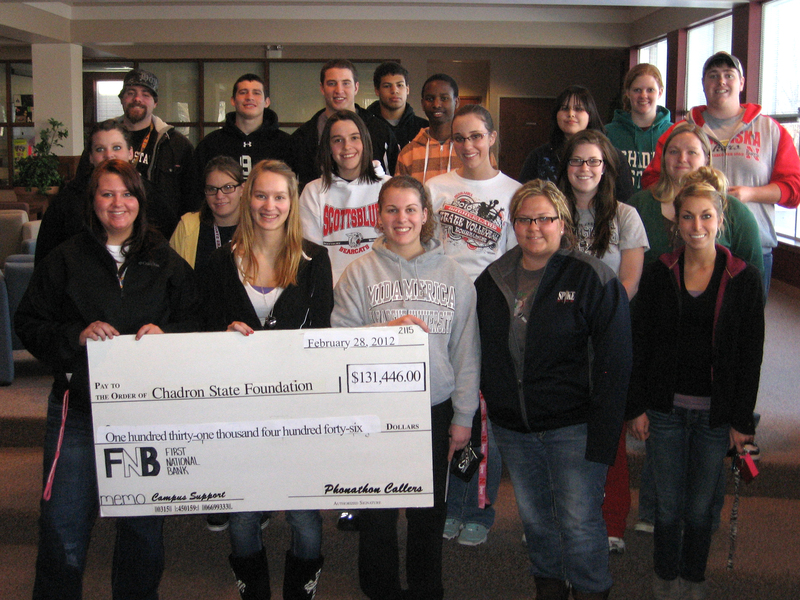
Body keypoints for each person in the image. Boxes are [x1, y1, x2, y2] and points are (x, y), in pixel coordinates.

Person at [15, 158, 200, 600]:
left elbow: (196, 323)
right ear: (92, 201)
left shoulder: (165, 260)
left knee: (142, 531)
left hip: (144, 417)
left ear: (140, 199)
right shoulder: (66, 257)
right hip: (77, 412)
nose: (118, 203)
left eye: (127, 193)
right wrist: (73, 335)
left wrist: (166, 334)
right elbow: (29, 322)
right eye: (107, 193)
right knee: (63, 526)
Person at [475, 179, 631, 600]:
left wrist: (604, 437)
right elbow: (482, 353)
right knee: (537, 522)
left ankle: (591, 589)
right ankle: (549, 587)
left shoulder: (593, 278)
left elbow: (616, 365)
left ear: (562, 223)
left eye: (545, 218)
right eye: (525, 219)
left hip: (574, 427)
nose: (534, 227)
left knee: (580, 523)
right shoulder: (492, 280)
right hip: (515, 429)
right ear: (513, 223)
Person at [332, 175, 479, 600]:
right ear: (379, 216)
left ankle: (425, 588)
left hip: (434, 407)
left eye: (411, 209)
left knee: (428, 512)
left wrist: (463, 417)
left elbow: (467, 350)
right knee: (377, 510)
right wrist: (387, 330)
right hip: (377, 411)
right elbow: (339, 339)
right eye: (392, 210)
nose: (402, 218)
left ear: (426, 215)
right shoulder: (358, 272)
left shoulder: (454, 275)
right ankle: (380, 589)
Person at [199, 159, 332, 600]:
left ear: (292, 202)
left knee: (303, 514)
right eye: (260, 195)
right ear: (245, 197)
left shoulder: (317, 260)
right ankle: (252, 590)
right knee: (241, 511)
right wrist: (223, 335)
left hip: (299, 407)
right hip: (237, 405)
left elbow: (322, 334)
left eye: (279, 196)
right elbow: (203, 326)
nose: (268, 205)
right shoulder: (219, 261)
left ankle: (300, 591)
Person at [626, 179, 764, 600]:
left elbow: (749, 356)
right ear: (676, 222)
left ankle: (693, 578)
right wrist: (638, 407)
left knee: (701, 508)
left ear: (720, 221)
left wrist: (741, 421)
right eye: (688, 216)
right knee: (667, 507)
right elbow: (641, 344)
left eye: (706, 216)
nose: (696, 224)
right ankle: (665, 576)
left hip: (714, 414)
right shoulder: (658, 272)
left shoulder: (744, 279)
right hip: (665, 410)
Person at [426, 104, 518, 545]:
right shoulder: (434, 188)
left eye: (476, 136)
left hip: (492, 314)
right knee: (451, 412)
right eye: (459, 138)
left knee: (483, 418)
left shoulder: (514, 193)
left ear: (492, 137)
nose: (467, 146)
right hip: (443, 312)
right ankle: (450, 503)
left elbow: (521, 262)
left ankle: (479, 510)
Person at [642, 51, 800, 298]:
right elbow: (652, 180)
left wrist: (749, 194)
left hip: (754, 244)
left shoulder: (771, 130)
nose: (721, 82)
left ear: (742, 82)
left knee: (745, 321)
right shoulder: (681, 131)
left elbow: (794, 189)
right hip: (691, 244)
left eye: (729, 75)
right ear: (704, 84)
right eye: (713, 76)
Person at [556, 128, 647, 554]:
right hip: (562, 337)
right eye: (577, 161)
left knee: (607, 431)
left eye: (593, 161)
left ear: (606, 166)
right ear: (566, 167)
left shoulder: (626, 215)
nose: (585, 169)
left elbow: (628, 281)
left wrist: (592, 316)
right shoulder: (552, 211)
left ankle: (611, 522)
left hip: (608, 333)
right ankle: (560, 517)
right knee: (560, 430)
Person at [36, 119, 177, 263]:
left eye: (116, 148)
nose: (109, 155)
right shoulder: (67, 201)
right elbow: (46, 260)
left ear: (130, 153)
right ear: (90, 157)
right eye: (100, 149)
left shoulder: (153, 196)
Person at [628, 122, 763, 271]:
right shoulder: (639, 205)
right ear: (663, 158)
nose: (682, 158)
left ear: (706, 158)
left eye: (691, 152)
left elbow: (754, 277)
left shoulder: (734, 210)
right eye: (673, 151)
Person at [299, 110, 391, 284]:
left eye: (354, 138)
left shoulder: (389, 187)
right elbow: (311, 258)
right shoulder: (313, 192)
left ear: (365, 141)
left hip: (382, 292)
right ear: (328, 147)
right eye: (337, 140)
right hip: (334, 295)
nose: (347, 146)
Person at [290, 59, 396, 188]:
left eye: (346, 83)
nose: (339, 90)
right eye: (331, 83)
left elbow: (393, 182)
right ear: (322, 88)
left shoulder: (380, 131)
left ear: (356, 87)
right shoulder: (302, 137)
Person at [519, 85, 634, 202]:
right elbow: (524, 199)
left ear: (590, 114)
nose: (571, 114)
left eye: (578, 109)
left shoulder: (614, 157)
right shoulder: (538, 157)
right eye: (564, 108)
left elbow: (625, 201)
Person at [116, 69, 195, 217]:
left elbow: (191, 199)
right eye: (131, 93)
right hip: (112, 226)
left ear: (155, 102)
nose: (137, 99)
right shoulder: (103, 139)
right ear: (121, 99)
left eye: (145, 94)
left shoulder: (177, 144)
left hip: (162, 231)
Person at [192, 73, 292, 183]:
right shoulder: (210, 144)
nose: (249, 97)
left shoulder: (286, 144)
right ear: (233, 100)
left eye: (256, 93)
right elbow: (195, 189)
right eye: (243, 92)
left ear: (267, 102)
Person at [171, 156, 245, 272]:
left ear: (242, 189)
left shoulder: (258, 227)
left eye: (228, 187)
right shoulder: (187, 227)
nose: (219, 196)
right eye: (212, 189)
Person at [605, 63, 672, 191]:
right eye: (637, 90)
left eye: (650, 90)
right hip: (618, 207)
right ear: (628, 93)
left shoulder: (673, 133)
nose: (643, 95)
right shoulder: (608, 133)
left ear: (660, 92)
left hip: (660, 207)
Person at [396, 73, 463, 184]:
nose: (436, 104)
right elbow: (399, 197)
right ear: (422, 104)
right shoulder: (408, 153)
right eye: (430, 98)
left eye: (444, 98)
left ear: (456, 102)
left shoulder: (472, 149)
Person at [367, 61, 428, 151]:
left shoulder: (424, 129)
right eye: (387, 86)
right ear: (377, 90)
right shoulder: (364, 126)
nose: (394, 90)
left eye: (400, 85)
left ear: (407, 89)